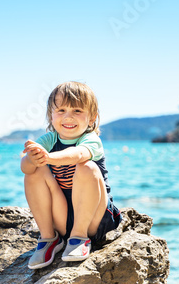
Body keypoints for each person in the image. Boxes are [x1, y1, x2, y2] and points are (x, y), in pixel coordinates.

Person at [21, 81, 122, 269]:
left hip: (94, 218)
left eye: (77, 111)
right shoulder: (48, 140)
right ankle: (49, 238)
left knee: (87, 167)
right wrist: (32, 159)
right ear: (51, 115)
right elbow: (25, 169)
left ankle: (79, 238)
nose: (68, 117)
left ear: (92, 118)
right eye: (61, 111)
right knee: (34, 171)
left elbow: (78, 155)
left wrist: (48, 157)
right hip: (62, 218)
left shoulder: (91, 140)